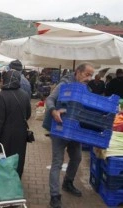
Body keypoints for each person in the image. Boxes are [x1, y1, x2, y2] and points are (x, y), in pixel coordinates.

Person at [43, 63, 94, 208]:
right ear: (78, 72)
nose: (89, 78)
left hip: (74, 131)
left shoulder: (86, 88)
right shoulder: (64, 84)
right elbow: (50, 99)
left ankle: (68, 182)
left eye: (91, 75)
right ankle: (54, 196)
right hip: (59, 129)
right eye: (87, 74)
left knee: (77, 157)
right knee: (57, 162)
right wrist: (53, 111)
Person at [0, 70, 31, 178]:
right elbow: (28, 114)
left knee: (3, 156)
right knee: (18, 157)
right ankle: (16, 178)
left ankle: (3, 180)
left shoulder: (2, 95)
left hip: (5, 134)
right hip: (21, 133)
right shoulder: (25, 95)